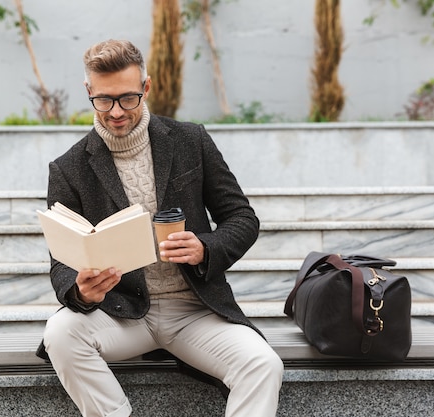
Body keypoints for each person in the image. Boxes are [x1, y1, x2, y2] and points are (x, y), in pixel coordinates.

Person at [39, 39, 283, 417]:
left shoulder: (191, 140)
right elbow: (60, 262)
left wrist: (206, 247)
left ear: (146, 88)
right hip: (121, 313)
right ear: (89, 92)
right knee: (59, 333)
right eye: (104, 100)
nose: (116, 112)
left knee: (264, 365)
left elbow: (242, 218)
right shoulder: (68, 168)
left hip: (194, 310)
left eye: (128, 98)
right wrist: (82, 292)